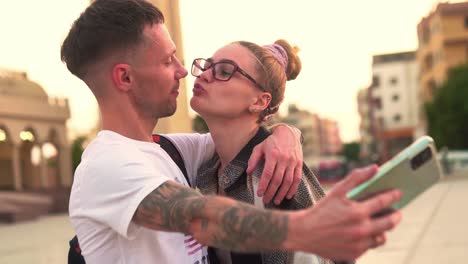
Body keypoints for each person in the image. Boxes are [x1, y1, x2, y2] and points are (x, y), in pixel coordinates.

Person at [61, 1, 403, 263]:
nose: (185, 72)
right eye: (167, 62)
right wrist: (307, 229)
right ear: (125, 78)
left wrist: (286, 133)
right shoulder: (106, 166)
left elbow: (240, 138)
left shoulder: (171, 150)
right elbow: (198, 217)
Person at [188, 39, 333, 263]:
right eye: (207, 66)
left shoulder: (274, 175)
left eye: (225, 71)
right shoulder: (207, 170)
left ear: (259, 101)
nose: (204, 75)